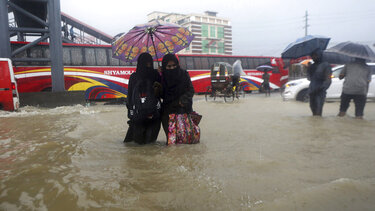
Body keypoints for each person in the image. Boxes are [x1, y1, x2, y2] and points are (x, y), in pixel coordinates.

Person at [124, 53, 162, 144]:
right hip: (141, 117)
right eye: (146, 63)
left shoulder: (155, 75)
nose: (148, 66)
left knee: (148, 145)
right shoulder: (135, 77)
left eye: (149, 63)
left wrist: (161, 74)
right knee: (143, 145)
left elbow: (162, 92)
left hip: (152, 116)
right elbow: (130, 97)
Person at [160, 54, 195, 141]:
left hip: (183, 111)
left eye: (174, 65)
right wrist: (159, 76)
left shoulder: (184, 74)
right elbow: (160, 95)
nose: (172, 68)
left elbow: (191, 90)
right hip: (167, 114)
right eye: (169, 66)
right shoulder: (162, 77)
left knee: (184, 140)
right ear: (164, 66)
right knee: (171, 141)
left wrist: (182, 100)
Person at [307, 48, 332, 116]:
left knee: (318, 110)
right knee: (312, 109)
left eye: (315, 55)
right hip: (312, 90)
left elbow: (328, 80)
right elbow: (309, 78)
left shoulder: (326, 65)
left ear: (320, 55)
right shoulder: (312, 66)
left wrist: (322, 88)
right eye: (312, 56)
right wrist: (309, 69)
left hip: (320, 91)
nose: (313, 57)